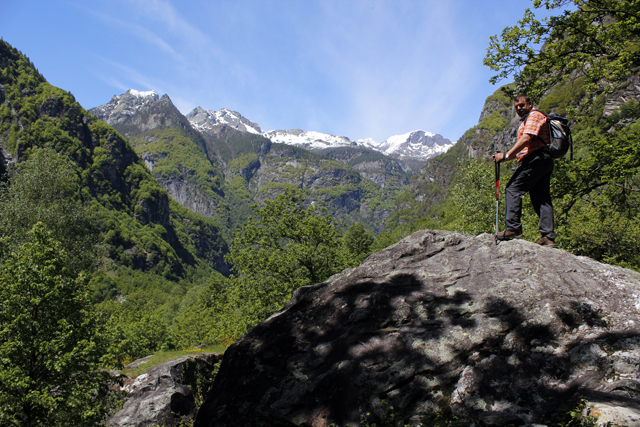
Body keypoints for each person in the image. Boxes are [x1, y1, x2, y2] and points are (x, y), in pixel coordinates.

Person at [492, 94, 557, 247]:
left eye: (522, 105)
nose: (519, 109)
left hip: (536, 159)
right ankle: (548, 237)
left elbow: (527, 139)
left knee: (512, 189)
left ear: (530, 103)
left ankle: (513, 228)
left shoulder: (534, 115)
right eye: (516, 107)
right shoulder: (527, 119)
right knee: (541, 198)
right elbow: (523, 147)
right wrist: (507, 157)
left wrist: (506, 155)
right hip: (542, 160)